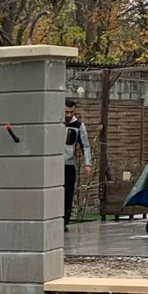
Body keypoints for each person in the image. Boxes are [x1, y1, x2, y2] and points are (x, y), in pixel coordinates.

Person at [63, 97, 92, 228]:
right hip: (52, 165)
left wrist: (88, 164)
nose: (69, 115)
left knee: (68, 194)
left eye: (71, 112)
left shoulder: (78, 126)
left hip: (68, 166)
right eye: (66, 112)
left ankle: (64, 221)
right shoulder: (52, 123)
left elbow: (85, 146)